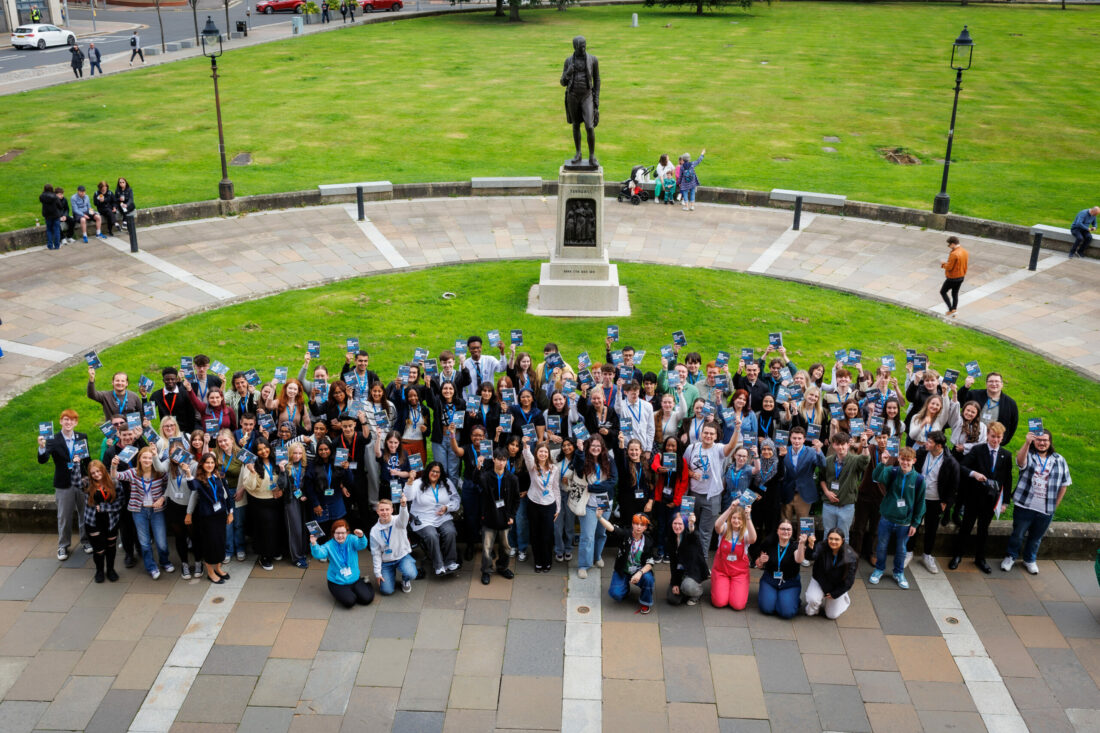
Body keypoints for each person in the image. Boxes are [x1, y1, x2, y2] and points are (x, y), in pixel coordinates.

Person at [1001, 429, 1070, 575]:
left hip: (1045, 509)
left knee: (1036, 538)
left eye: (1045, 440)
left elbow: (1065, 484)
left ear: (1050, 442)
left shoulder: (1059, 460)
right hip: (1024, 505)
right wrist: (1026, 443)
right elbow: (1020, 462)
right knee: (1017, 534)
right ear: (1034, 441)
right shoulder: (1029, 455)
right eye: (1039, 440)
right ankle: (1010, 556)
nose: (1042, 443)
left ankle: (1029, 560)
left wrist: (1055, 505)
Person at [950, 421, 1013, 574]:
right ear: (988, 435)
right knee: (966, 527)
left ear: (1002, 437)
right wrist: (974, 474)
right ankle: (957, 555)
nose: (995, 440)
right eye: (993, 436)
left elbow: (1007, 479)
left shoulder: (1006, 455)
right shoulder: (978, 450)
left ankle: (980, 558)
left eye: (998, 437)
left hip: (991, 500)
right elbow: (963, 466)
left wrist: (1004, 502)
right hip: (974, 496)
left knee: (984, 530)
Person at [111, 446, 173, 579]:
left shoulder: (160, 472)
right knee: (144, 543)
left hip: (157, 510)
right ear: (139, 459)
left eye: (150, 457)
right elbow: (115, 476)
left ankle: (165, 561)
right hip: (139, 511)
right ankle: (151, 567)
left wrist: (162, 498)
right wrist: (114, 466)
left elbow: (169, 487)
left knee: (161, 542)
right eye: (144, 457)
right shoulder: (133, 472)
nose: (147, 460)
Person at [38, 409, 92, 560]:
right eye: (66, 419)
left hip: (81, 481)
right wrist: (42, 447)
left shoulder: (82, 437)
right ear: (61, 421)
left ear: (76, 422)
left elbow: (87, 459)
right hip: (64, 483)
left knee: (85, 513)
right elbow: (43, 460)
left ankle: (86, 541)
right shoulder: (53, 440)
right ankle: (63, 546)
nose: (69, 422)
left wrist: (90, 477)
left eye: (72, 420)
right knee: (64, 516)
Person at [870, 447, 925, 589]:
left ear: (914, 461)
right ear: (899, 459)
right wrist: (882, 463)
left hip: (905, 522)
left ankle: (899, 573)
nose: (905, 463)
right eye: (902, 459)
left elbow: (920, 502)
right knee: (881, 546)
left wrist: (915, 523)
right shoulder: (892, 471)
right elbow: (876, 477)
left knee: (901, 549)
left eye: (908, 460)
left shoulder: (919, 479)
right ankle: (879, 569)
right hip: (887, 517)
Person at [684, 423, 739, 560]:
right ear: (701, 434)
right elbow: (683, 467)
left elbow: (730, 447)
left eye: (711, 434)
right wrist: (692, 474)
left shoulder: (719, 448)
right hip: (693, 495)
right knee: (690, 527)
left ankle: (702, 564)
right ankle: (688, 559)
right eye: (706, 433)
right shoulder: (692, 448)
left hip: (712, 497)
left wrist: (737, 430)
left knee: (705, 532)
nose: (708, 436)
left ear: (716, 436)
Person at [907, 431, 959, 573]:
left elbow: (954, 485)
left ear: (939, 446)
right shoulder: (922, 453)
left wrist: (946, 502)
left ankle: (927, 555)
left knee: (931, 529)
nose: (926, 444)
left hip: (935, 500)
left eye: (930, 442)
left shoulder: (950, 462)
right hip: (918, 497)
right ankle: (908, 551)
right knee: (913, 525)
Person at [404, 461, 461, 576]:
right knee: (432, 535)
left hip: (442, 516)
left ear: (441, 474)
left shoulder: (446, 482)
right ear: (428, 471)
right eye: (433, 471)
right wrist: (410, 481)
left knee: (450, 532)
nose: (435, 474)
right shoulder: (417, 483)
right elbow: (408, 497)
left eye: (438, 472)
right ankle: (439, 566)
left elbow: (456, 499)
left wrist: (447, 508)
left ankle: (450, 562)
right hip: (423, 518)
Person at [596, 508, 656, 614]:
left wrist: (640, 573)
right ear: (632, 524)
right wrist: (600, 517)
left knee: (649, 579)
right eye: (636, 523)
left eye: (642, 525)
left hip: (638, 571)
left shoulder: (648, 541)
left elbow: (650, 563)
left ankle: (645, 602)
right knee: (616, 594)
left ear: (645, 527)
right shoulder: (625, 534)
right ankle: (625, 587)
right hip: (623, 570)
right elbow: (611, 528)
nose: (638, 527)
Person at [185, 452, 234, 583]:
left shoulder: (219, 477)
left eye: (212, 463)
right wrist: (188, 473)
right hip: (207, 517)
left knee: (220, 542)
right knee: (209, 544)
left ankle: (218, 568)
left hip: (220, 515)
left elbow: (227, 495)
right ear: (202, 464)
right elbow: (192, 486)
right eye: (207, 462)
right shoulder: (199, 480)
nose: (210, 465)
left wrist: (231, 512)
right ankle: (210, 572)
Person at [819, 430, 871, 542]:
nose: (840, 447)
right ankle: (826, 559)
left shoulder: (855, 460)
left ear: (848, 444)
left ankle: (842, 559)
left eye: (843, 444)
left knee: (844, 536)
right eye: (837, 444)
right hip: (829, 505)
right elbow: (821, 479)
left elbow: (865, 459)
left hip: (846, 506)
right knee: (827, 534)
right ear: (833, 445)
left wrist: (865, 444)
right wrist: (827, 492)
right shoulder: (827, 461)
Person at [311, 519, 375, 608]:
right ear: (333, 533)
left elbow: (362, 545)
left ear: (347, 532)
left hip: (354, 578)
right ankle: (344, 592)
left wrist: (361, 536)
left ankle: (365, 582)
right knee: (350, 602)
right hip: (337, 582)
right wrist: (314, 544)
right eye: (337, 533)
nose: (340, 536)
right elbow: (319, 554)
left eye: (343, 533)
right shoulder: (329, 545)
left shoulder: (352, 539)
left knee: (367, 599)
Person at [478, 448, 519, 585]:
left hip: (505, 518)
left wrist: (512, 515)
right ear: (493, 459)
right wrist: (478, 467)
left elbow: (516, 500)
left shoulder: (512, 479)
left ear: (506, 461)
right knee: (487, 547)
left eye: (504, 460)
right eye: (499, 459)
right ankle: (486, 570)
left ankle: (502, 567)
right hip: (489, 517)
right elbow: (475, 479)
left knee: (506, 546)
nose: (501, 463)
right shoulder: (486, 476)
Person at [753, 518, 807, 619]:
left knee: (787, 613)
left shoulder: (795, 545)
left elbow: (799, 560)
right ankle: (777, 598)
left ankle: (790, 599)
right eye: (783, 529)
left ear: (792, 532)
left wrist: (801, 544)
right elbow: (758, 564)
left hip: (789, 583)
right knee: (767, 609)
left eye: (788, 529)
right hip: (770, 580)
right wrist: (761, 560)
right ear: (777, 530)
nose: (786, 531)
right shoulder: (769, 543)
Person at [560, 36, 600, 167]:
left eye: (585, 45)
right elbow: (562, 82)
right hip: (573, 96)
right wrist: (568, 73)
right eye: (581, 46)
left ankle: (592, 155)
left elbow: (597, 80)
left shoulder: (593, 60)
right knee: (576, 125)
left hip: (587, 95)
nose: (584, 48)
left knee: (589, 126)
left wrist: (596, 100)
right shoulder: (568, 61)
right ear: (575, 47)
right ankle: (578, 153)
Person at [710, 502, 757, 611]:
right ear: (730, 518)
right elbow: (717, 525)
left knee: (738, 605)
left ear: (743, 521)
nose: (736, 521)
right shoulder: (725, 528)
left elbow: (753, 539)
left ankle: (735, 586)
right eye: (734, 518)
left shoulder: (745, 532)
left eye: (739, 519)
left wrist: (748, 517)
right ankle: (723, 585)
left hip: (739, 573)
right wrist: (730, 508)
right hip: (721, 570)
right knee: (719, 602)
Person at [804, 528, 859, 619]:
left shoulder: (850, 556)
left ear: (843, 540)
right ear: (827, 538)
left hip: (837, 585)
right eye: (831, 538)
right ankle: (815, 605)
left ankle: (844, 598)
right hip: (820, 580)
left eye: (837, 539)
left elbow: (849, 580)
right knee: (812, 599)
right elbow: (810, 557)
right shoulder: (822, 546)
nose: (833, 541)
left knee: (832, 615)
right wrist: (810, 545)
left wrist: (836, 593)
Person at [370, 496, 416, 594]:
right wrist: (377, 573)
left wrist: (403, 506)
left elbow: (404, 518)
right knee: (386, 591)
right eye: (381, 510)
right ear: (377, 511)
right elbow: (376, 553)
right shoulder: (374, 531)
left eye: (387, 509)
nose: (384, 512)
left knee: (411, 574)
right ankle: (390, 574)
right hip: (386, 561)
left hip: (402, 557)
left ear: (392, 510)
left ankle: (405, 579)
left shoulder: (398, 521)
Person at [958, 372, 1019, 446]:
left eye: (997, 381)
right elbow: (960, 402)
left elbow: (1013, 424)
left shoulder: (1010, 403)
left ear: (1002, 384)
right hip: (969, 439)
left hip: (993, 442)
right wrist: (966, 387)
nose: (994, 384)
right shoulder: (974, 395)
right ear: (986, 384)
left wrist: (1004, 441)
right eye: (991, 381)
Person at [666, 511, 707, 606]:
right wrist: (675, 583)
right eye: (675, 523)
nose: (677, 526)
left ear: (685, 525)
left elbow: (693, 534)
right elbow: (673, 563)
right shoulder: (670, 539)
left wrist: (691, 524)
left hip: (693, 571)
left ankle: (697, 593)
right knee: (672, 599)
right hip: (680, 572)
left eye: (680, 524)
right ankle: (684, 590)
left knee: (687, 586)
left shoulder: (690, 537)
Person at [939, 235, 968, 316]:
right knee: (955, 293)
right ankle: (954, 309)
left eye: (949, 245)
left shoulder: (954, 254)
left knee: (943, 292)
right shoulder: (964, 251)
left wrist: (943, 264)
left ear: (952, 244)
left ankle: (951, 310)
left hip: (952, 278)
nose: (949, 246)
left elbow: (949, 267)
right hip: (961, 276)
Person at [40, 183, 63, 250]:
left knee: (49, 230)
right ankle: (57, 245)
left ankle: (50, 245)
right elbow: (60, 206)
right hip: (55, 215)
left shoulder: (42, 196)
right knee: (56, 230)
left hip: (47, 215)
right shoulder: (55, 197)